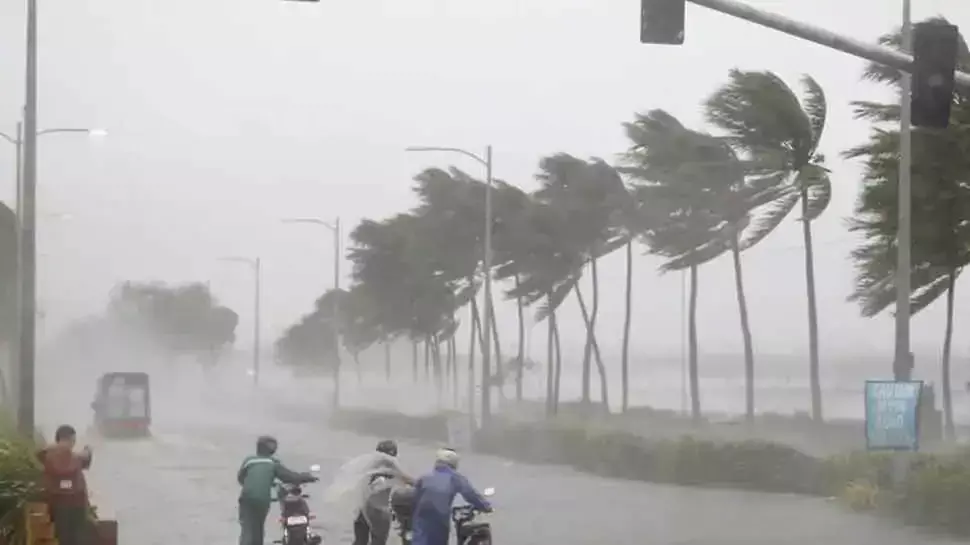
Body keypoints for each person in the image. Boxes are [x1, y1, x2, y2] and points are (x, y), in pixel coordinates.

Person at [237, 435, 318, 545]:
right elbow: (290, 477)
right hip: (262, 500)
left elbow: (241, 478)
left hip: (246, 497)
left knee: (247, 528)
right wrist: (306, 477)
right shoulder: (272, 463)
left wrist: (256, 485)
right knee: (258, 528)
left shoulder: (249, 461)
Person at [410, 448, 491, 545]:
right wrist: (485, 506)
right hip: (440, 514)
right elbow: (470, 494)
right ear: (454, 463)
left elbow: (414, 498)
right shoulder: (455, 478)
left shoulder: (425, 477)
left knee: (420, 539)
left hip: (421, 514)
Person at [38, 425, 93, 545]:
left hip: (57, 505)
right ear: (71, 439)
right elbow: (87, 456)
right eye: (73, 440)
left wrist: (53, 447)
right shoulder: (77, 458)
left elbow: (39, 454)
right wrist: (87, 449)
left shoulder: (47, 456)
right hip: (77, 505)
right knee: (77, 538)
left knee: (63, 538)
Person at [354, 439, 414, 545]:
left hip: (363, 510)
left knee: (360, 541)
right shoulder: (390, 468)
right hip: (379, 512)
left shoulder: (370, 466)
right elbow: (408, 480)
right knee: (378, 541)